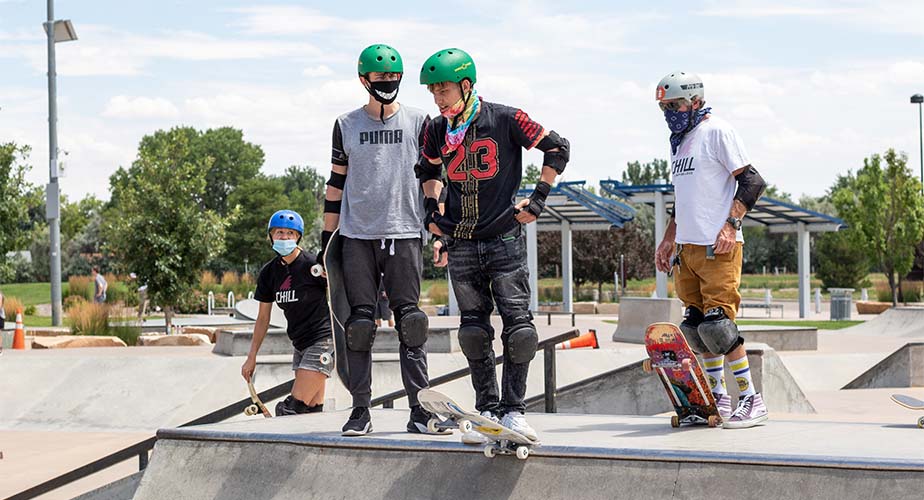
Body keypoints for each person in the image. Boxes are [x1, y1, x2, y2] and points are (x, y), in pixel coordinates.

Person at [416, 48, 570, 443]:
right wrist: (432, 212)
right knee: (473, 331)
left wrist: (538, 200)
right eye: (433, 92)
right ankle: (486, 409)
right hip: (462, 243)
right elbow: (429, 170)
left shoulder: (505, 118)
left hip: (503, 239)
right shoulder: (435, 129)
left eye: (444, 90)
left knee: (519, 329)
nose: (438, 98)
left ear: (466, 86)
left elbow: (557, 148)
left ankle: (514, 411)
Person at [321, 43, 444, 436]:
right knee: (359, 325)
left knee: (411, 322)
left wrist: (438, 229)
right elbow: (336, 183)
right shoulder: (346, 124)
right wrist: (325, 247)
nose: (387, 84)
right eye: (379, 79)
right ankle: (360, 410)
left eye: (393, 79)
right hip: (357, 236)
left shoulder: (419, 121)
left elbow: (431, 177)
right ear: (364, 81)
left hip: (405, 232)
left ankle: (420, 410)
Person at [653, 71, 769, 428]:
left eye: (675, 105)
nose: (670, 112)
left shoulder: (716, 131)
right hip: (688, 249)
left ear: (696, 102)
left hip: (718, 247)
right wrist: (669, 237)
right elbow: (683, 200)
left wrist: (731, 224)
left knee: (719, 327)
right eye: (664, 107)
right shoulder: (681, 142)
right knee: (697, 328)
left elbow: (752, 181)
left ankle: (750, 397)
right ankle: (715, 396)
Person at [242, 210, 332, 416]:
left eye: (290, 233)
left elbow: (341, 293)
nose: (284, 237)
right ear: (271, 236)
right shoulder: (269, 273)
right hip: (300, 345)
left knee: (290, 409)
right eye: (279, 232)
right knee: (311, 410)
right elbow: (263, 318)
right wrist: (251, 356)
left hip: (323, 341)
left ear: (298, 236)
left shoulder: (313, 266)